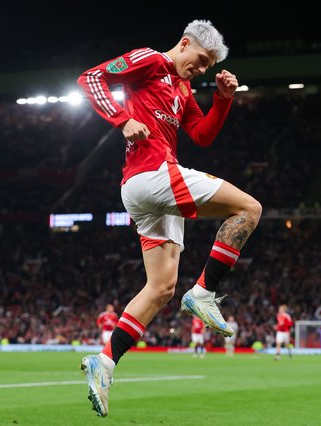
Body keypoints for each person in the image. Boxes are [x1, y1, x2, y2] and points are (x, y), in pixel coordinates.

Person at [77, 19, 262, 417]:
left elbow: (201, 135)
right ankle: (205, 292)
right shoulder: (150, 60)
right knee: (249, 208)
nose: (199, 70)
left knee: (160, 288)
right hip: (152, 174)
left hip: (147, 192)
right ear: (184, 43)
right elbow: (90, 79)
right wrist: (122, 119)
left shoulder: (182, 88)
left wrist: (224, 100)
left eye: (207, 67)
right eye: (199, 60)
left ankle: (103, 363)